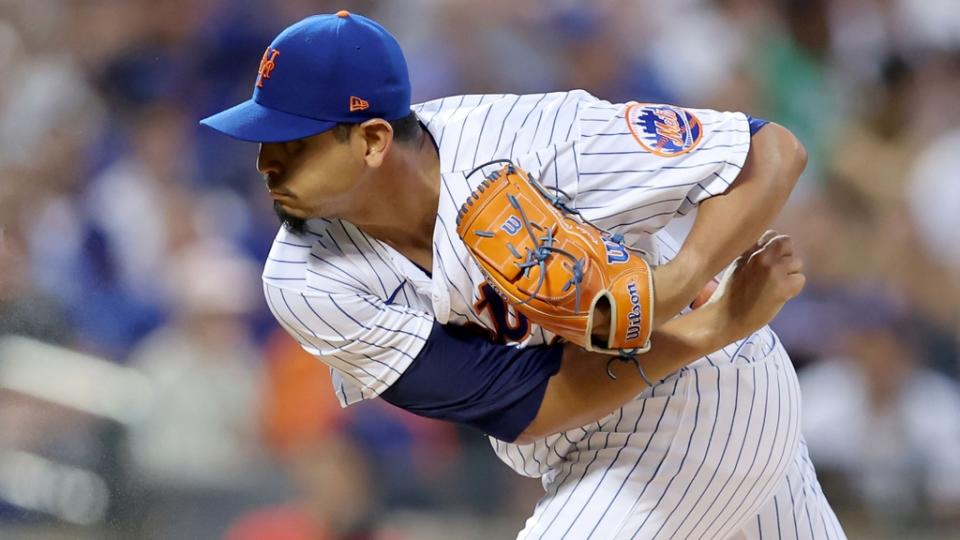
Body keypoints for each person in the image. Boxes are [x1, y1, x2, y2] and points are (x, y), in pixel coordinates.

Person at [200, 11, 844, 539]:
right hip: (607, 414)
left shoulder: (532, 139)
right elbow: (528, 407)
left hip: (702, 403)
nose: (266, 163)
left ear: (371, 141)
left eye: (293, 143)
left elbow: (770, 150)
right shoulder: (305, 281)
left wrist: (681, 280)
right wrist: (708, 326)